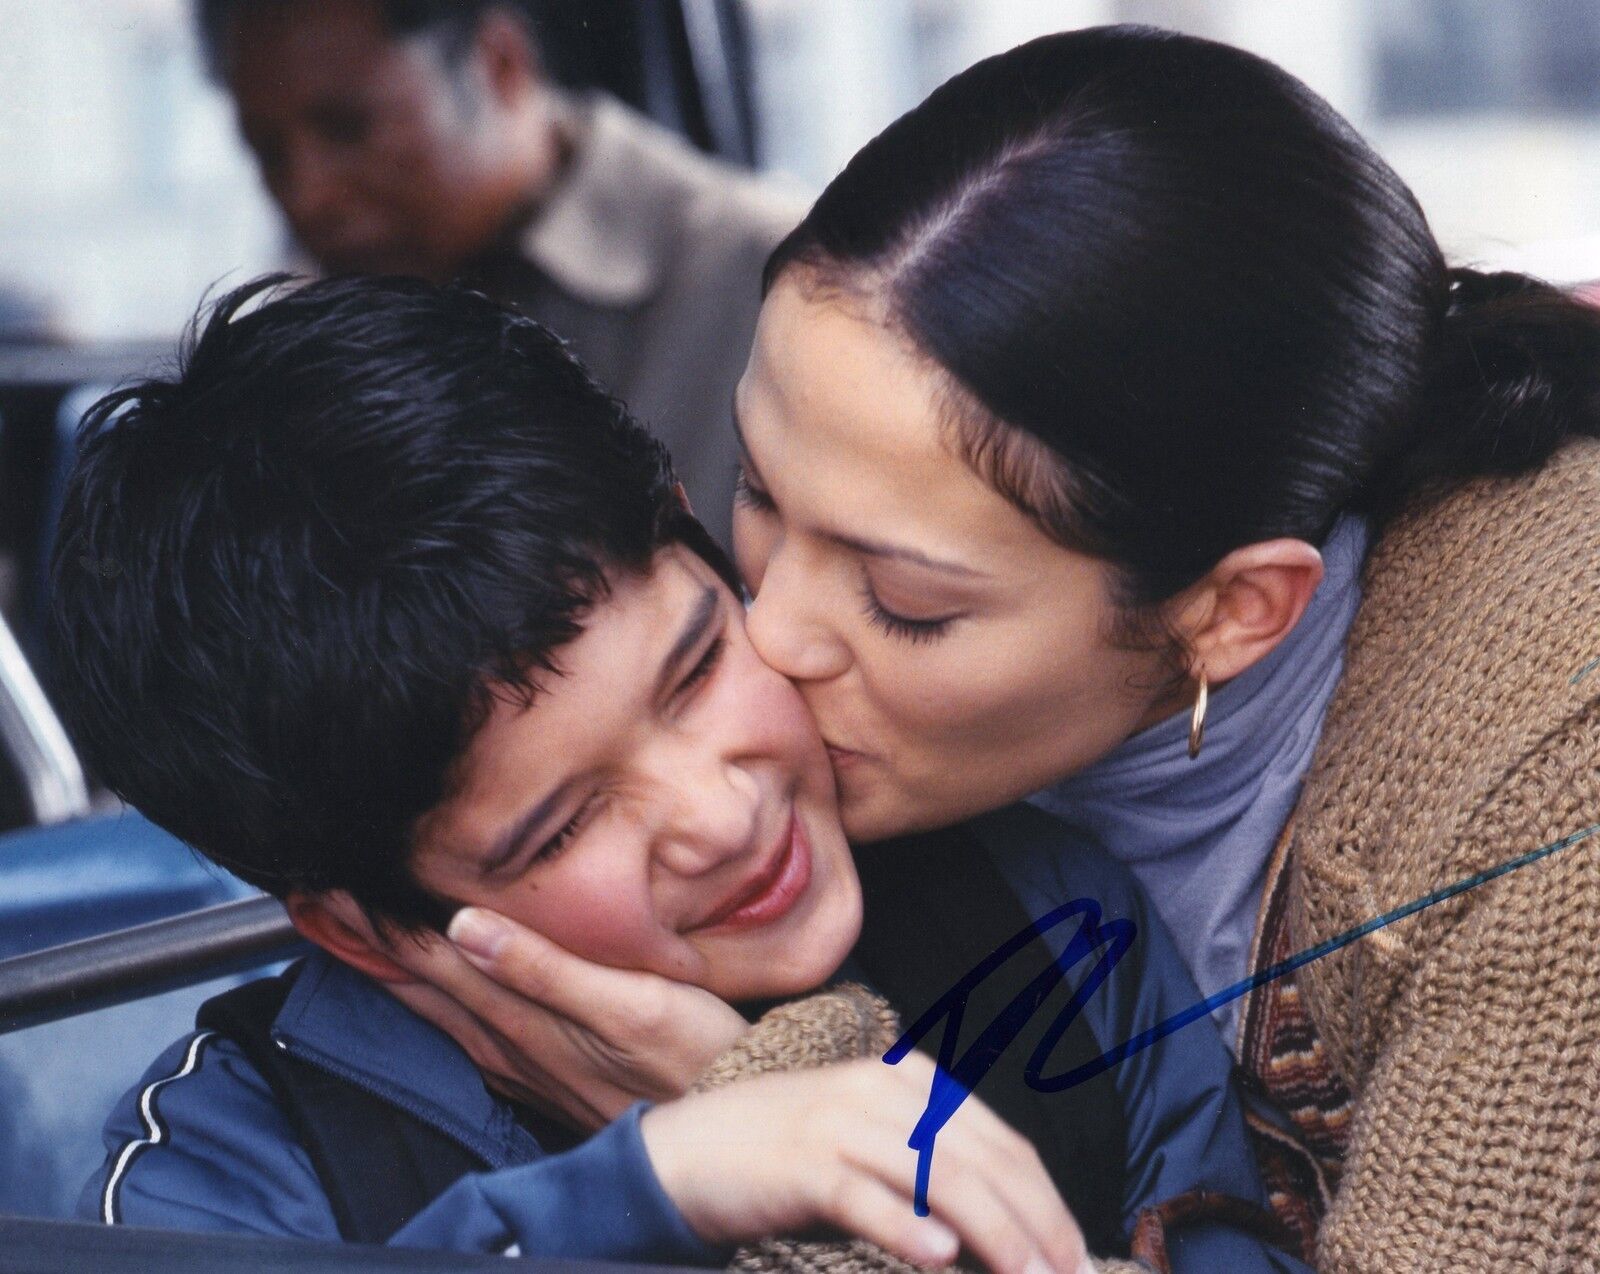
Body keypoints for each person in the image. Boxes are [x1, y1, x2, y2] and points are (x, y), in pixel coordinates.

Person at [393, 26, 1600, 1271]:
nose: (772, 633)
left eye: (905, 600)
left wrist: (799, 1137)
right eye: (754, 487)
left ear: (1234, 612)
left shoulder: (1559, 781)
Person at [53, 276, 1295, 1271]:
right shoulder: (222, 1173)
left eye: (697, 664)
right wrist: (651, 1194)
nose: (720, 809)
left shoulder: (1047, 916)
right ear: (366, 926)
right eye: (561, 824)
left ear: (702, 529)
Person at [197, 0, 799, 550]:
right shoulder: (299, 346)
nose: (308, 196)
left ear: (500, 63)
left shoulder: (770, 276)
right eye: (268, 152)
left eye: (350, 129)